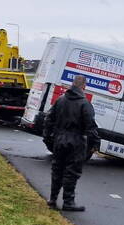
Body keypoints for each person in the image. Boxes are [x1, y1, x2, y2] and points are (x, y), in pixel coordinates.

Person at [43, 74, 100, 211]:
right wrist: (95, 143)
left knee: (57, 169)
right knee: (71, 171)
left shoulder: (60, 100)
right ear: (84, 86)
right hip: (76, 141)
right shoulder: (85, 104)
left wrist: (48, 137)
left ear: (72, 84)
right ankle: (68, 201)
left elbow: (48, 120)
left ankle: (52, 198)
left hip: (59, 139)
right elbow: (91, 126)